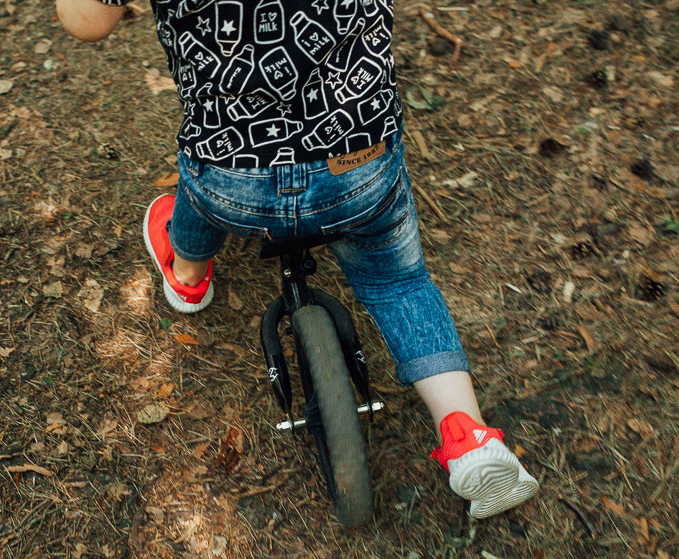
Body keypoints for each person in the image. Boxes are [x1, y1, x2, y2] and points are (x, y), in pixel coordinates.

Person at [55, 0, 538, 519]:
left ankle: (189, 275)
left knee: (199, 184)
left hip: (234, 170)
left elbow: (87, 23)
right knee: (398, 282)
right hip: (356, 161)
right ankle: (469, 438)